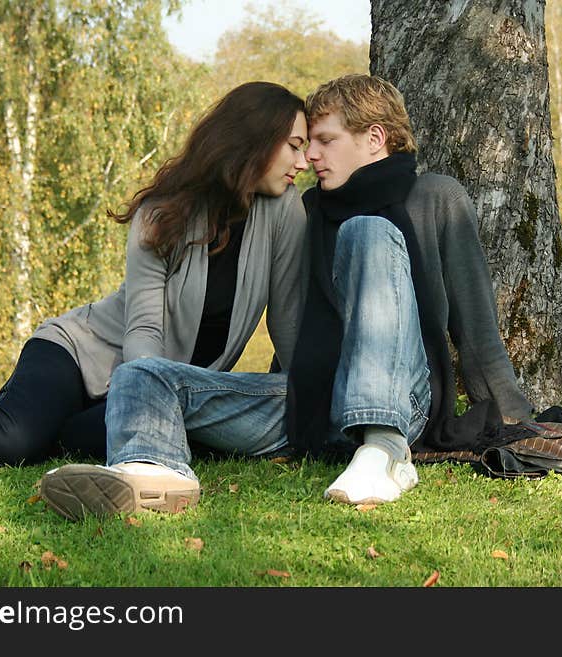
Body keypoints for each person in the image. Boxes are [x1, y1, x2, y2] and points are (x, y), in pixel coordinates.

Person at [38, 74, 534, 520]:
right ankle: (155, 473)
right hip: (315, 402)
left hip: (404, 399)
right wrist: (294, 391)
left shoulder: (436, 198)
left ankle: (383, 451)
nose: (309, 156)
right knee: (142, 372)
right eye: (306, 143)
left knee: (367, 232)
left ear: (374, 139)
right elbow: (293, 320)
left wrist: (516, 420)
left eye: (325, 140)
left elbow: (476, 327)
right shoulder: (306, 207)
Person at [0, 81, 308, 467]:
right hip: (82, 353)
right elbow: (144, 328)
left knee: (70, 441)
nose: (303, 161)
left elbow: (287, 319)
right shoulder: (163, 212)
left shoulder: (285, 211)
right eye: (294, 145)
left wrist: (307, 401)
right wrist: (148, 399)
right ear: (255, 140)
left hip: (167, 388)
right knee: (13, 441)